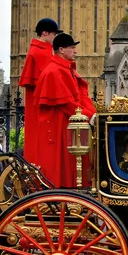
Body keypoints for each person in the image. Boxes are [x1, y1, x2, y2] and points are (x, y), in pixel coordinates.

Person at [34, 33, 96, 188]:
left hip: (70, 126)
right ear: (61, 49)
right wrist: (90, 116)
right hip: (60, 128)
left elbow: (79, 98)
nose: (75, 51)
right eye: (72, 48)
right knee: (63, 169)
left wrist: (92, 112)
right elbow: (67, 103)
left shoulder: (66, 69)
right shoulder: (54, 71)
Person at [18, 18, 61, 165]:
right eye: (53, 35)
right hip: (41, 106)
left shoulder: (42, 50)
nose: (54, 38)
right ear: (44, 33)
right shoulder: (40, 52)